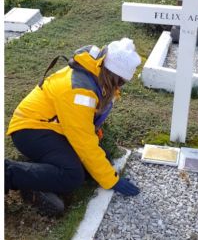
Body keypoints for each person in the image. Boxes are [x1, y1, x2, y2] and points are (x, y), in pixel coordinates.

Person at [5, 38, 143, 216]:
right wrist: (111, 180)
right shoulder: (80, 91)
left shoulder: (93, 72)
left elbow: (83, 129)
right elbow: (84, 142)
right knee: (73, 175)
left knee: (101, 160)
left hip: (52, 128)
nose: (119, 87)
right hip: (30, 130)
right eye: (120, 82)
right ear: (112, 73)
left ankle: (37, 179)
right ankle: (8, 174)